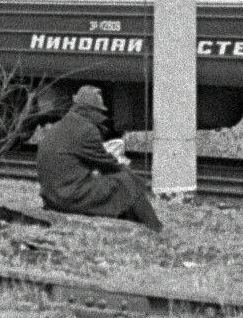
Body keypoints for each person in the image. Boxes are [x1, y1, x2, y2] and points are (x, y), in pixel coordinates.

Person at [36, 83, 163, 231]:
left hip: (52, 196)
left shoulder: (64, 123)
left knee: (119, 182)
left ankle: (143, 224)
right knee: (126, 180)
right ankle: (155, 228)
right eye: (99, 112)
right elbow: (108, 164)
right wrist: (124, 165)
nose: (101, 117)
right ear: (90, 110)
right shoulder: (87, 129)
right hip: (67, 197)